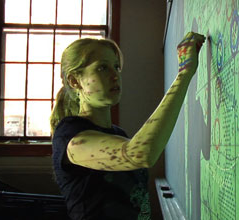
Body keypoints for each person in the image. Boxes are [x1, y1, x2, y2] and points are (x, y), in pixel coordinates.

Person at [50, 32, 206, 220]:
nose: (115, 75)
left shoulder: (118, 134)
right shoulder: (69, 135)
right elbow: (140, 154)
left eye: (116, 67)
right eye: (102, 68)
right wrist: (184, 73)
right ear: (75, 81)